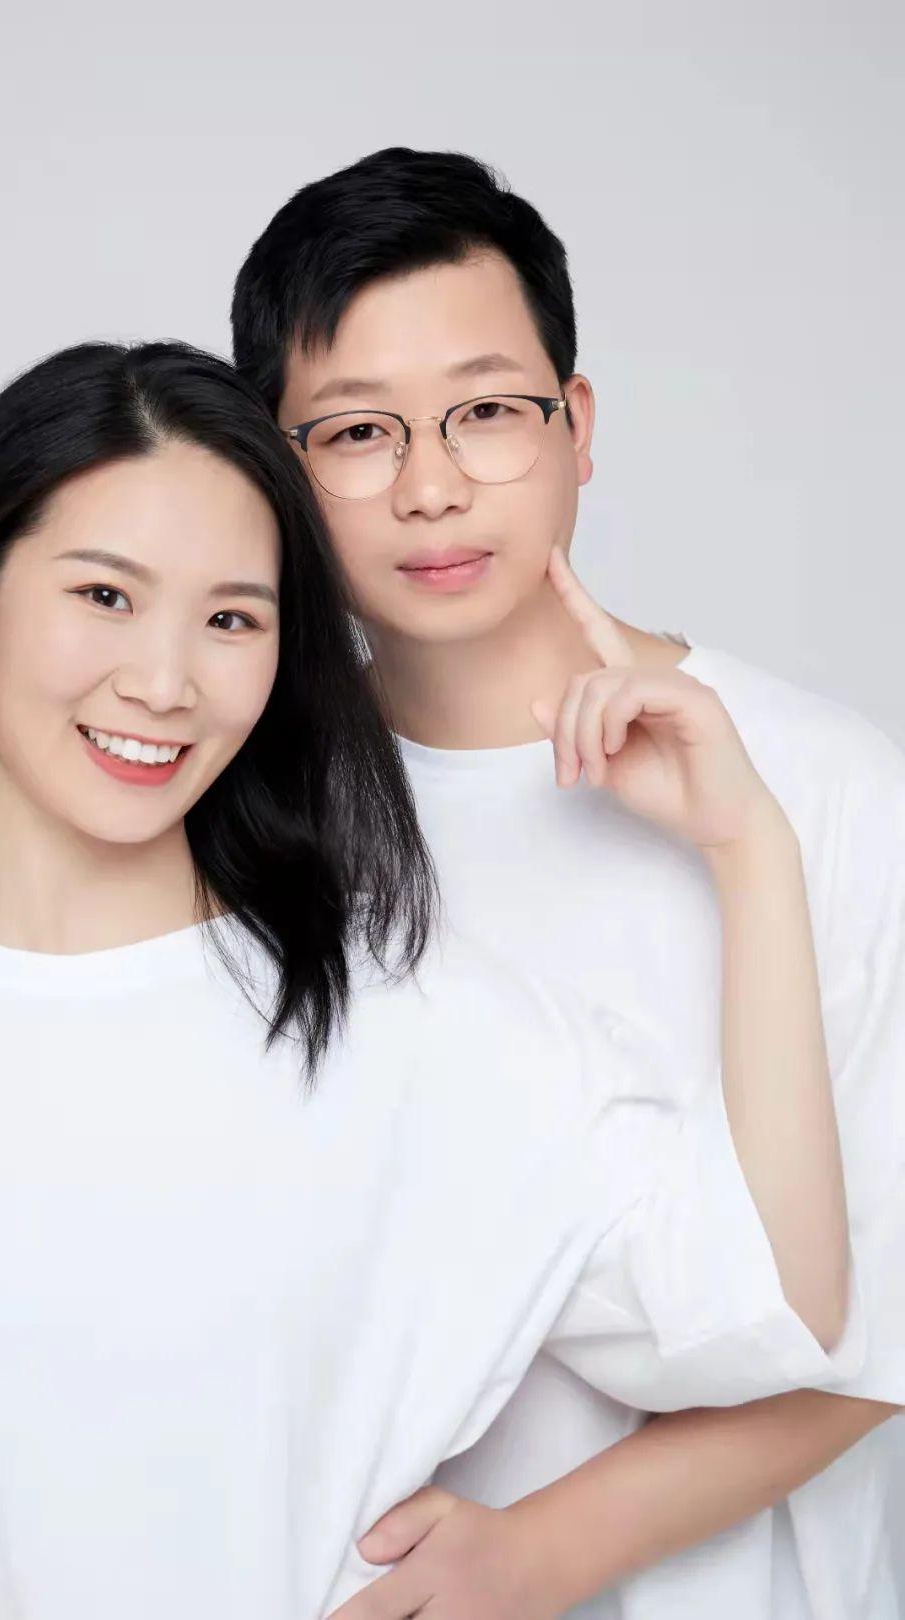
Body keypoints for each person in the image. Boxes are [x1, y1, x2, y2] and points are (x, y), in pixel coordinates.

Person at [0, 339, 862, 1620]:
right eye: (104, 595)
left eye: (231, 620)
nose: (163, 682)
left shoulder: (406, 1027)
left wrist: (751, 849)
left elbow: (777, 1308)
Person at [230, 147, 905, 1619]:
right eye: (356, 432)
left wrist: (544, 1551)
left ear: (577, 425)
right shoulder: (249, 813)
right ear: (278, 471)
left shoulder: (827, 786)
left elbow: (877, 1326)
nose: (430, 487)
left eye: (485, 412)